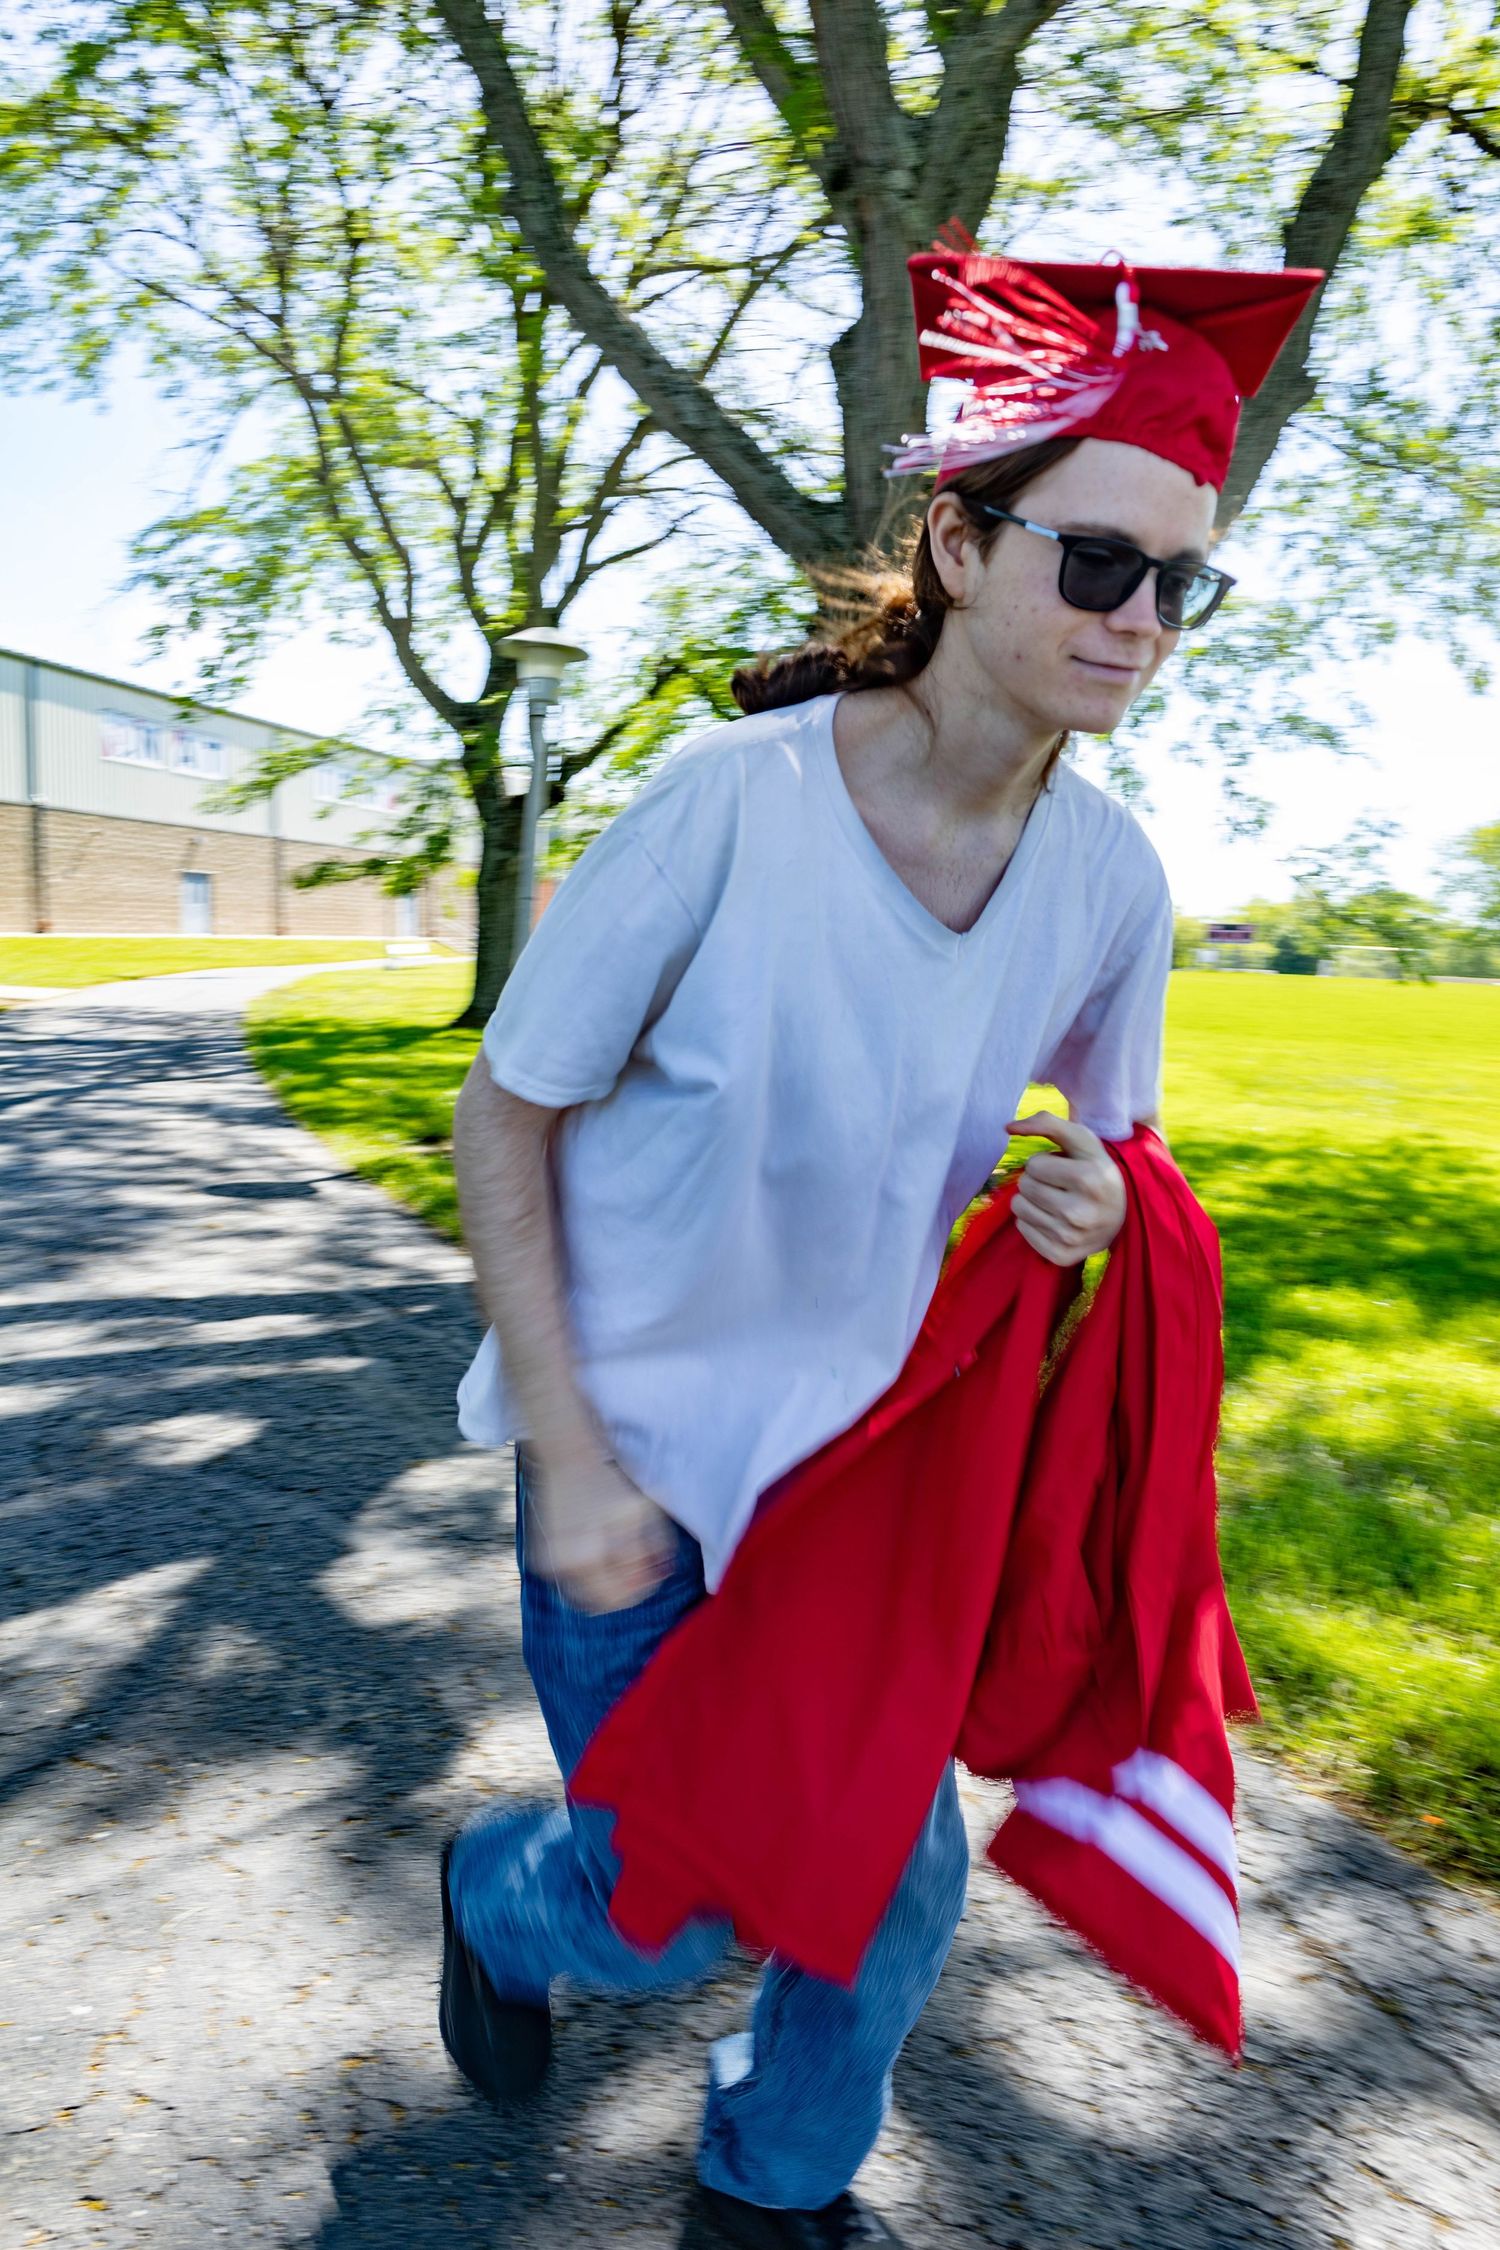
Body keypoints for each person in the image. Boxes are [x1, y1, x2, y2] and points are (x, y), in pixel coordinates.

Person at [440, 245, 1322, 2249]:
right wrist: (571, 1457)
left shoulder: (1113, 882)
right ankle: (507, 1897)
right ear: (959, 534)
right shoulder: (723, 806)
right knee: (669, 1914)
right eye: (1100, 563)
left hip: (866, 1477)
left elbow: (1110, 1165)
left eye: (1184, 582)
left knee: (888, 1878)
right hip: (639, 1446)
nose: (1142, 619)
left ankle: (775, 2188)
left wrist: (1097, 1207)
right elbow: (510, 1110)